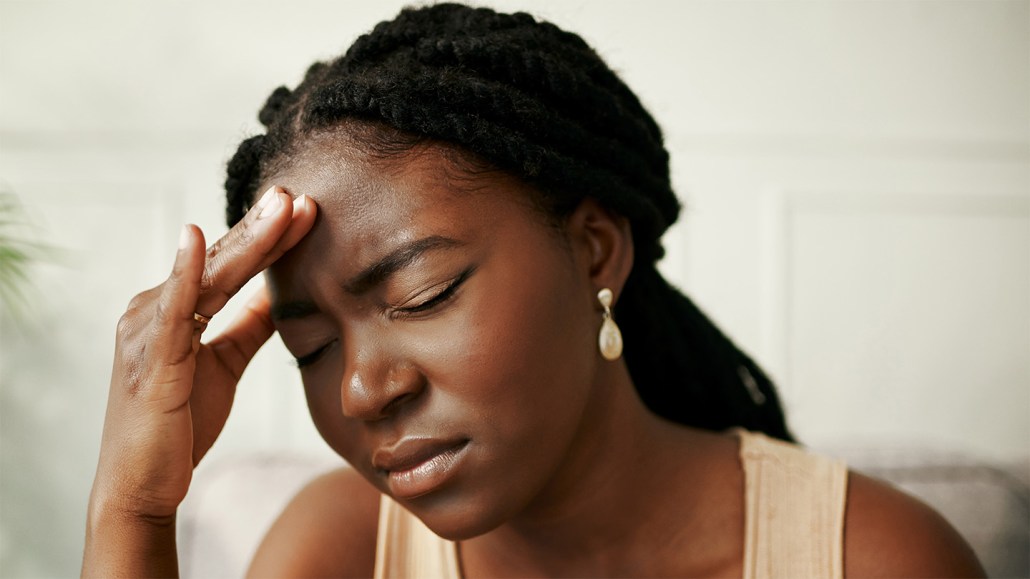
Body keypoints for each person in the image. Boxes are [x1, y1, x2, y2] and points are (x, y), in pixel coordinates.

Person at [82, 4, 985, 577]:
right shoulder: (341, 550)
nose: (360, 388)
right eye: (311, 345)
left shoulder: (873, 556)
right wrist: (134, 504)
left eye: (425, 292)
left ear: (594, 251)